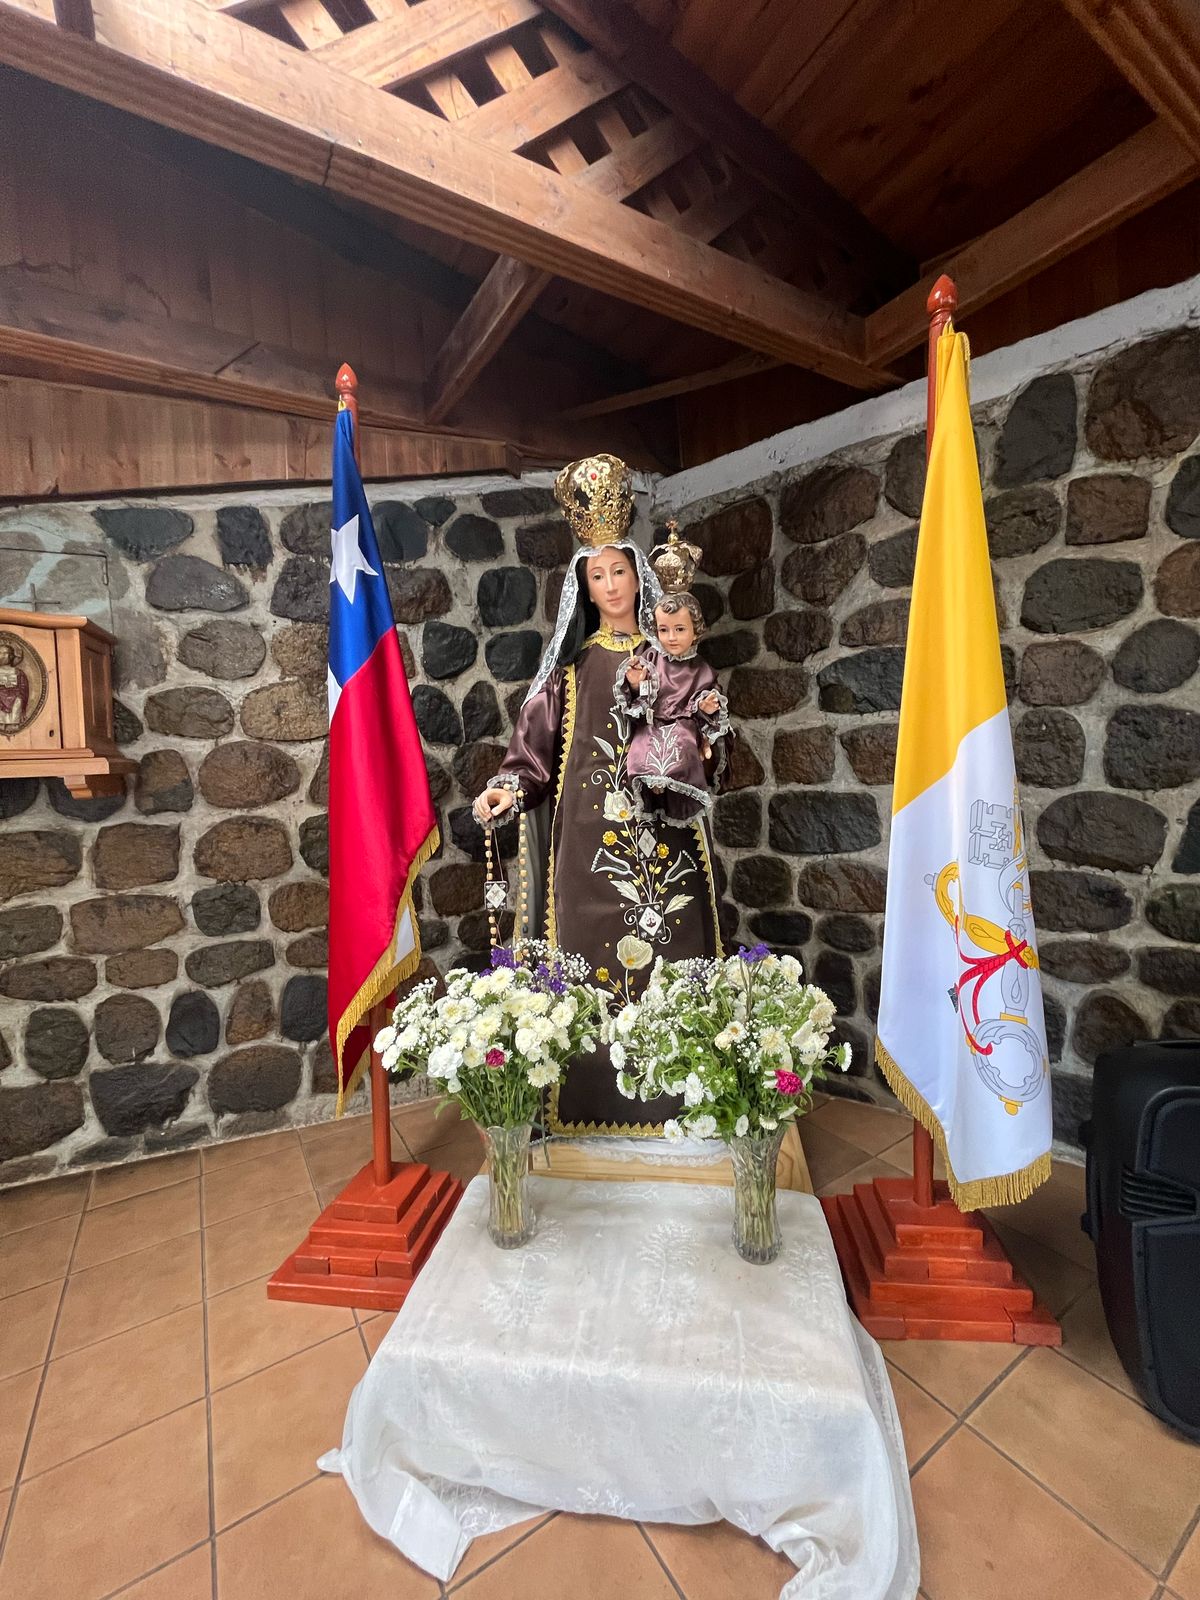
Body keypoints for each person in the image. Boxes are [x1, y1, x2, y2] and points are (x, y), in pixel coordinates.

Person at [473, 456, 725, 1136]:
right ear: (583, 587)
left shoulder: (673, 658)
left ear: (638, 575)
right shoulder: (572, 670)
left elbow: (706, 729)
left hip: (666, 835)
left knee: (675, 951)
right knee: (587, 969)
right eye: (597, 576)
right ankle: (587, 1107)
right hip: (588, 850)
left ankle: (684, 1101)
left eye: (619, 571)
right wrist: (506, 789)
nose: (611, 586)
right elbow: (533, 748)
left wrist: (707, 742)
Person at [616, 536, 731, 826]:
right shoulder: (650, 659)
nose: (671, 637)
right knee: (640, 749)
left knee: (682, 747)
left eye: (680, 629)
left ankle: (673, 789)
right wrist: (635, 682)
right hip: (652, 725)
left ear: (696, 630)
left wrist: (705, 706)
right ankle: (652, 787)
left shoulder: (700, 668)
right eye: (664, 630)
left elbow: (707, 699)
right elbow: (639, 699)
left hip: (682, 728)